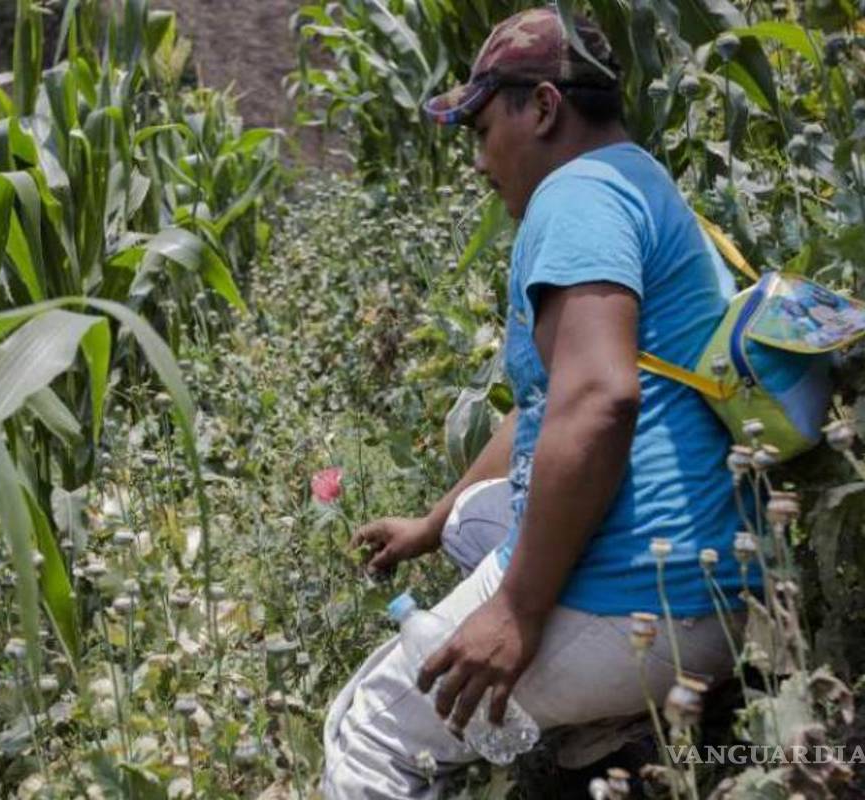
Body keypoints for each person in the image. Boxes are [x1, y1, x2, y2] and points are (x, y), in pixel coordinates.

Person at [321, 8, 761, 799]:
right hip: (720, 571)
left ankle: (602, 688)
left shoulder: (575, 199)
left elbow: (598, 402)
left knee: (370, 732)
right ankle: (605, 723)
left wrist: (516, 613)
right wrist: (430, 523)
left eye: (484, 128)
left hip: (649, 600)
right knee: (473, 518)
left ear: (545, 109)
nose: (481, 160)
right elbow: (547, 406)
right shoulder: (639, 181)